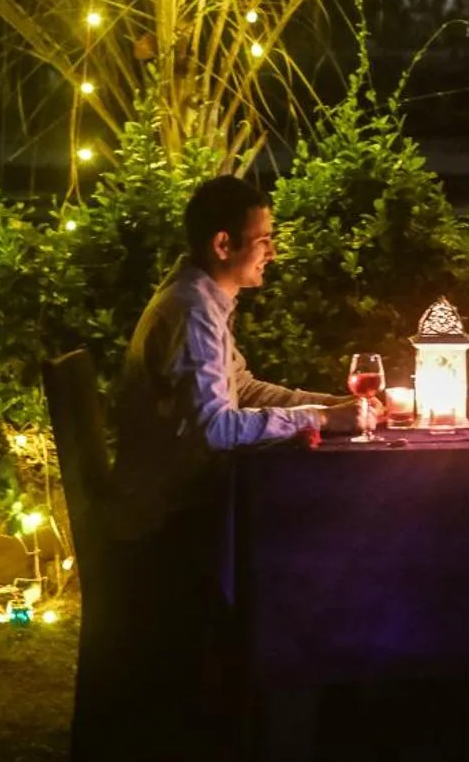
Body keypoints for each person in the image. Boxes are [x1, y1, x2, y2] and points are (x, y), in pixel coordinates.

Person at [111, 173, 359, 538]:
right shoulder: (192, 310)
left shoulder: (201, 299)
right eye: (263, 241)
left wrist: (333, 405)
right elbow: (213, 429)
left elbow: (240, 388)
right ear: (223, 244)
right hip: (172, 521)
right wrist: (319, 418)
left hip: (187, 502)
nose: (272, 254)